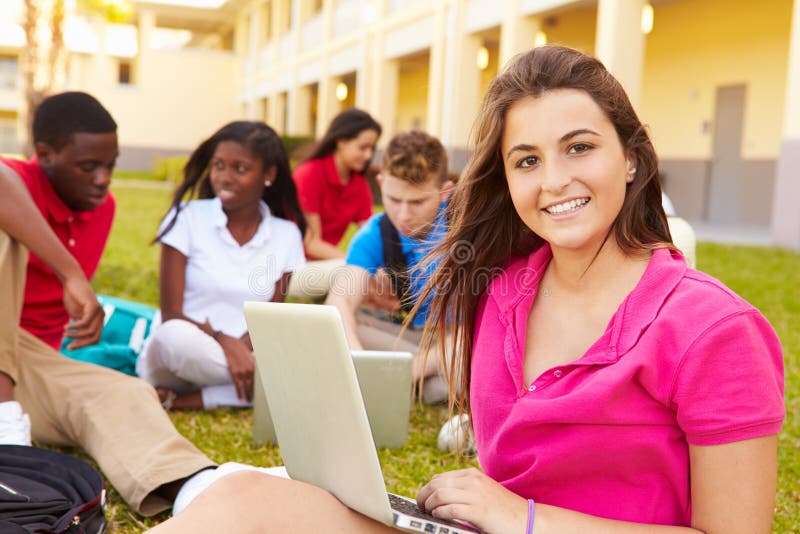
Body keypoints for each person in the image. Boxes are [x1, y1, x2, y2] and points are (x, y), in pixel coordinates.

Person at [149, 46, 784, 533]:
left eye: (580, 148)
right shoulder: (505, 291)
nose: (554, 181)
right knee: (237, 495)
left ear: (633, 160)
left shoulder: (714, 330)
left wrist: (525, 518)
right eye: (527, 160)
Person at [0, 91, 219, 517]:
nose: (103, 179)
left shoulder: (101, 208)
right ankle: (4, 417)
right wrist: (71, 273)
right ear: (43, 154)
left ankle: (196, 487)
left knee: (121, 392)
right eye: (89, 167)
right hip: (7, 381)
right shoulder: (16, 179)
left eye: (111, 165)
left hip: (29, 361)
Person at [137, 121, 306, 411]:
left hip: (248, 356)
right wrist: (226, 343)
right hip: (182, 353)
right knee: (172, 337)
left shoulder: (286, 235)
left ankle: (186, 401)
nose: (225, 178)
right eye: (218, 166)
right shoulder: (187, 218)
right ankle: (260, 388)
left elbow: (271, 318)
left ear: (269, 174)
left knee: (295, 352)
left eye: (240, 169)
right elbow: (171, 314)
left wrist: (244, 350)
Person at [325, 130, 453, 404]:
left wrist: (405, 373)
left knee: (452, 378)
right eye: (394, 200)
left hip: (467, 339)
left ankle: (411, 379)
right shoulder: (375, 232)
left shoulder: (471, 229)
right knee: (334, 326)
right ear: (381, 184)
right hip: (411, 337)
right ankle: (406, 378)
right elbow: (341, 300)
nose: (404, 215)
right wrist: (356, 360)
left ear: (445, 192)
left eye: (418, 201)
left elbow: (484, 326)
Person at [288, 108, 381, 299]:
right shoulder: (309, 174)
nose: (368, 155)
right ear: (341, 141)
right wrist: (359, 261)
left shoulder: (359, 185)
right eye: (363, 147)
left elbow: (372, 236)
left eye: (372, 148)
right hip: (292, 270)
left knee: (376, 271)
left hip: (326, 268)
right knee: (353, 270)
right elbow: (311, 244)